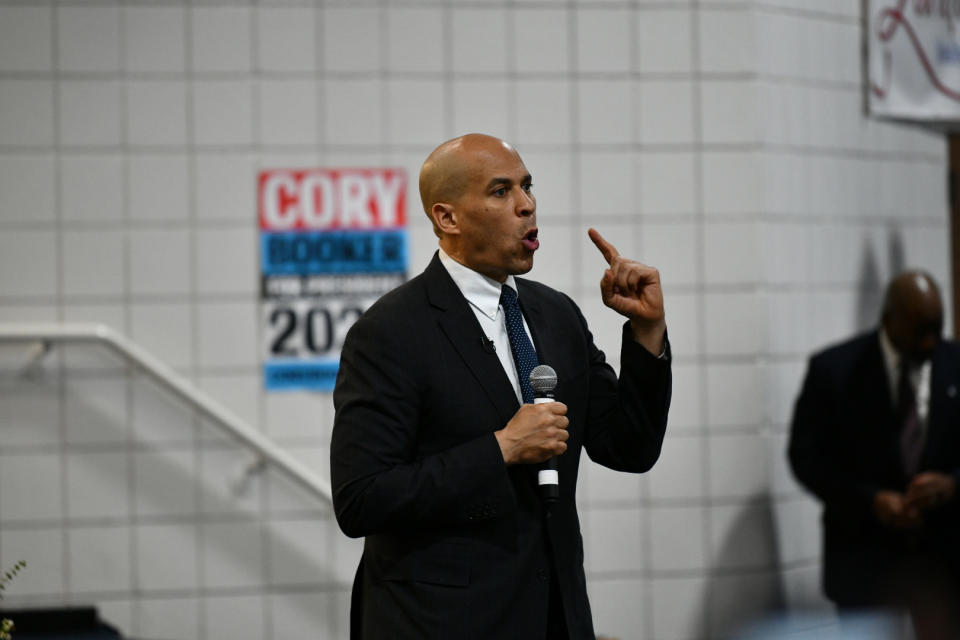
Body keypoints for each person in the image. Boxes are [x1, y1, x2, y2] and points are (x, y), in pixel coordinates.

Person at [330, 133, 672, 639]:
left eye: (527, 186)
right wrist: (501, 450)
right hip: (438, 623)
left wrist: (647, 333)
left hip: (554, 617)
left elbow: (628, 446)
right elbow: (361, 499)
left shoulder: (555, 314)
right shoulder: (390, 332)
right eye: (500, 191)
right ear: (448, 218)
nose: (527, 205)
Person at [788, 271, 960, 639]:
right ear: (889, 321)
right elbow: (805, 457)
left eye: (937, 328)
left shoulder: (955, 364)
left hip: (945, 559)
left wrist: (953, 485)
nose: (930, 342)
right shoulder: (835, 371)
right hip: (863, 558)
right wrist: (870, 499)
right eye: (920, 331)